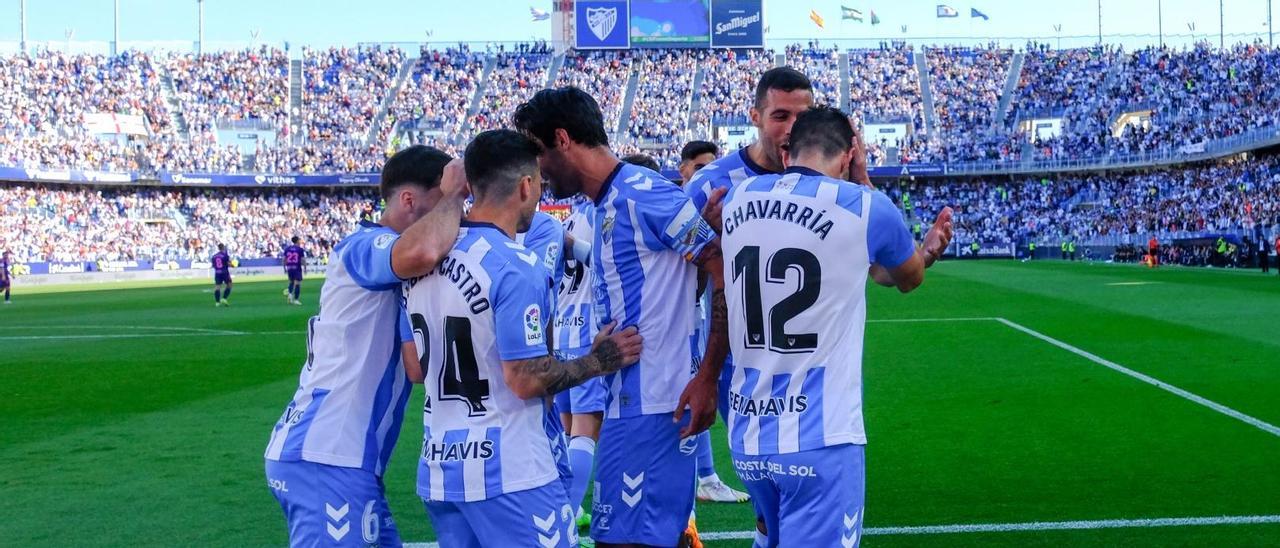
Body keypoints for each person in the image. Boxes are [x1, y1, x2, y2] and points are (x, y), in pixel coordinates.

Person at [718, 106, 953, 547]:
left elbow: (860, 264)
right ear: (849, 156)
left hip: (748, 436)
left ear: (786, 154)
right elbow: (907, 277)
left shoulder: (739, 197)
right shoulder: (866, 207)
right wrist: (921, 245)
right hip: (821, 438)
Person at [404, 129, 642, 548]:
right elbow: (527, 378)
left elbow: (416, 369)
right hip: (510, 471)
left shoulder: (426, 259)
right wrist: (597, 361)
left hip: (439, 469)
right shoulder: (515, 264)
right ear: (526, 186)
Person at [514, 87, 728, 548]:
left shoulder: (643, 195)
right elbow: (685, 277)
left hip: (658, 405)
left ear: (562, 139)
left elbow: (721, 267)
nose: (537, 169)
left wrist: (708, 376)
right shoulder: (604, 203)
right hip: (625, 402)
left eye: (538, 153)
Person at [263, 145, 467, 547]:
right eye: (441, 200)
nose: (454, 216)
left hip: (339, 458)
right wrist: (456, 194)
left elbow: (415, 366)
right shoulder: (363, 245)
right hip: (326, 454)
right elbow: (424, 249)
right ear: (408, 200)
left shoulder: (394, 264)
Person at [671, 141, 749, 505]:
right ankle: (699, 482)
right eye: (700, 167)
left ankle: (706, 477)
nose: (707, 175)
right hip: (683, 324)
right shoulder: (676, 210)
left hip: (708, 318)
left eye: (711, 166)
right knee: (691, 397)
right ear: (683, 170)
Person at [282, 236, 306, 305]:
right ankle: (296, 299)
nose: (300, 241)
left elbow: (284, 259)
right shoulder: (300, 249)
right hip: (297, 267)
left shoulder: (287, 249)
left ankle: (290, 294)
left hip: (289, 267)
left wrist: (284, 268)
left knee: (291, 282)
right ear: (297, 241)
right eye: (299, 240)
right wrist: (305, 268)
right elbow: (303, 259)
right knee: (297, 283)